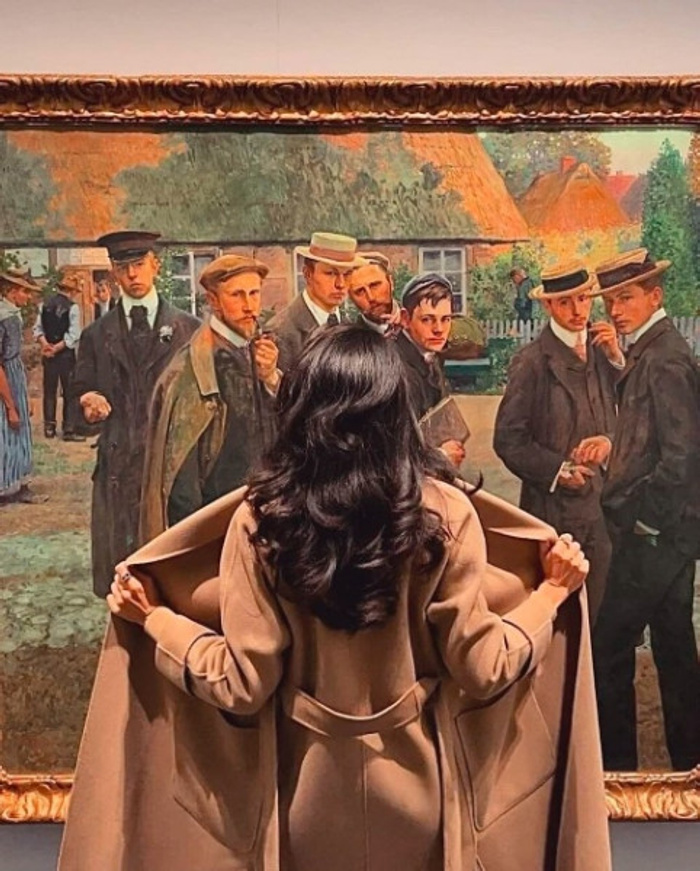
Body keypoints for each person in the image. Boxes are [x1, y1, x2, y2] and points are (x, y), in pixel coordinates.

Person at [66, 324, 611, 871]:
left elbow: (241, 684)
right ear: (396, 411)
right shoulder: (445, 513)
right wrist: (550, 594)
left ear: (304, 410)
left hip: (305, 798)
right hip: (422, 801)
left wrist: (156, 618)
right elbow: (484, 668)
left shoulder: (263, 519)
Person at [590, 248, 700, 771]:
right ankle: (690, 767)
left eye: (626, 298)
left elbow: (682, 456)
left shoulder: (665, 359)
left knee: (607, 650)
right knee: (674, 645)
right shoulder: (652, 350)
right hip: (671, 535)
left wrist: (646, 519)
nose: (615, 310)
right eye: (610, 300)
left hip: (655, 536)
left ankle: (615, 774)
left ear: (655, 296)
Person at [73, 230, 199, 596]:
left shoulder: (189, 330)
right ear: (113, 271)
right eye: (123, 266)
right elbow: (79, 394)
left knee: (175, 570)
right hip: (119, 469)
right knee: (122, 574)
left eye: (139, 264)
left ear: (155, 265)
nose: (132, 274)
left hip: (173, 467)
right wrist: (87, 401)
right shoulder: (97, 335)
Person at [493, 261, 620, 623]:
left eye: (583, 299)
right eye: (565, 302)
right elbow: (508, 438)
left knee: (603, 615)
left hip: (603, 509)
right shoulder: (532, 362)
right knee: (565, 620)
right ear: (548, 305)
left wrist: (617, 359)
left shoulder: (603, 351)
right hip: (555, 514)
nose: (578, 310)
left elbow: (632, 415)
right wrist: (559, 470)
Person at [140, 254, 280, 541]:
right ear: (214, 301)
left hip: (258, 515)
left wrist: (271, 378)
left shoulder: (256, 350)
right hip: (217, 523)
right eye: (237, 295)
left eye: (254, 293)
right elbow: (181, 482)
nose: (249, 305)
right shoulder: (192, 368)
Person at [395, 273, 466, 467]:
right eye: (427, 319)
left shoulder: (429, 355)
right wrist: (441, 456)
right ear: (405, 319)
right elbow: (393, 450)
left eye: (446, 319)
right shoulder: (395, 369)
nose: (439, 329)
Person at [266, 231, 366, 369]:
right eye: (330, 273)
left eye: (347, 274)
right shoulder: (281, 333)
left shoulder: (350, 325)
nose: (340, 284)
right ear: (308, 274)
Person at [0, 269, 47, 505]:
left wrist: (24, 396)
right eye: (25, 292)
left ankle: (19, 484)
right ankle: (6, 487)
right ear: (11, 291)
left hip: (14, 375)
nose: (28, 297)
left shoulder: (12, 314)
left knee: (19, 430)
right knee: (7, 429)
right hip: (4, 379)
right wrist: (10, 405)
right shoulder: (3, 316)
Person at [33, 269, 85, 441]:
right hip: (65, 356)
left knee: (49, 389)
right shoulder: (73, 308)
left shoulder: (44, 305)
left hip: (49, 354)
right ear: (71, 291)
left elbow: (38, 329)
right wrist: (56, 348)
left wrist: (46, 345)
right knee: (69, 391)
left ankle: (49, 427)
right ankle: (68, 428)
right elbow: (74, 334)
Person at [348, 251, 401, 334]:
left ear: (391, 282)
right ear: (350, 298)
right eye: (360, 291)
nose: (371, 298)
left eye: (374, 286)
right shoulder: (347, 339)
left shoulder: (416, 322)